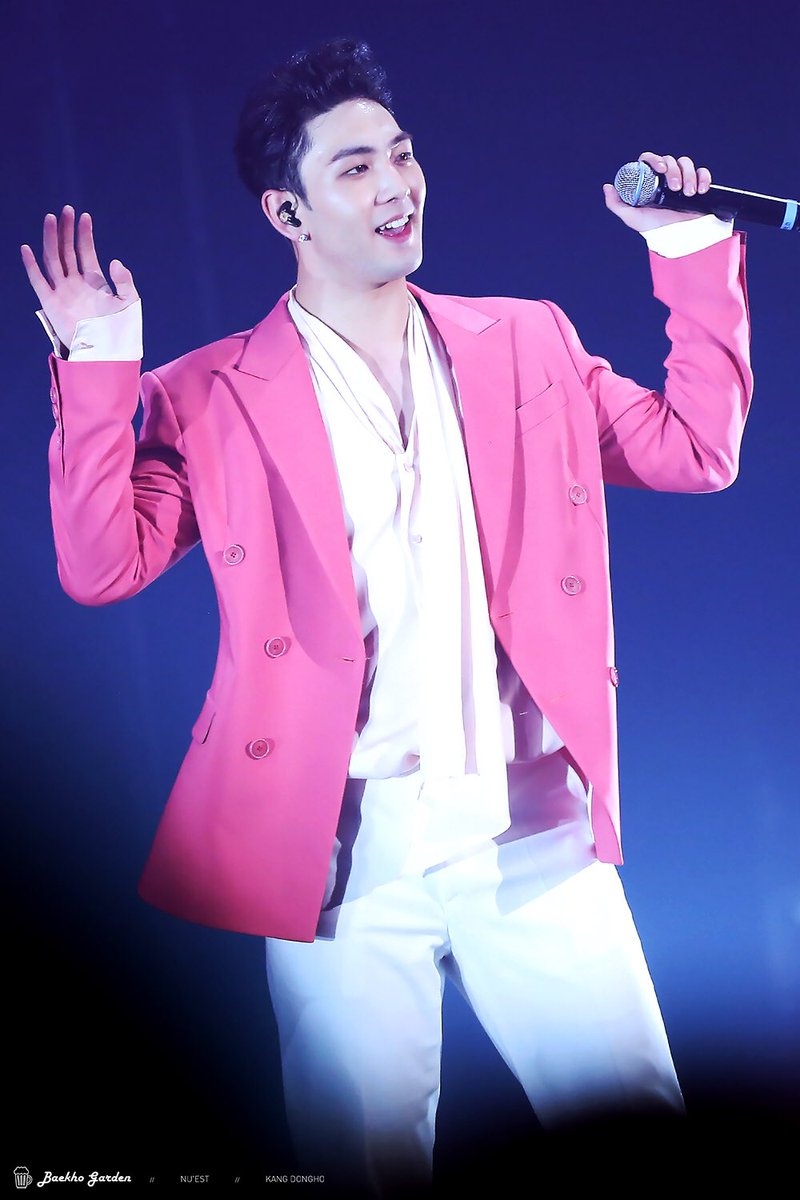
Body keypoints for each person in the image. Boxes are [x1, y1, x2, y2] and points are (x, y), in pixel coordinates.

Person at [22, 37, 752, 1197]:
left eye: (401, 155)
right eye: (354, 168)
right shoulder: (208, 395)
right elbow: (102, 566)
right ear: (287, 211)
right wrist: (100, 367)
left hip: (531, 830)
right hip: (338, 858)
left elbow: (695, 450)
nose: (395, 185)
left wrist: (686, 249)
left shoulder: (526, 341)